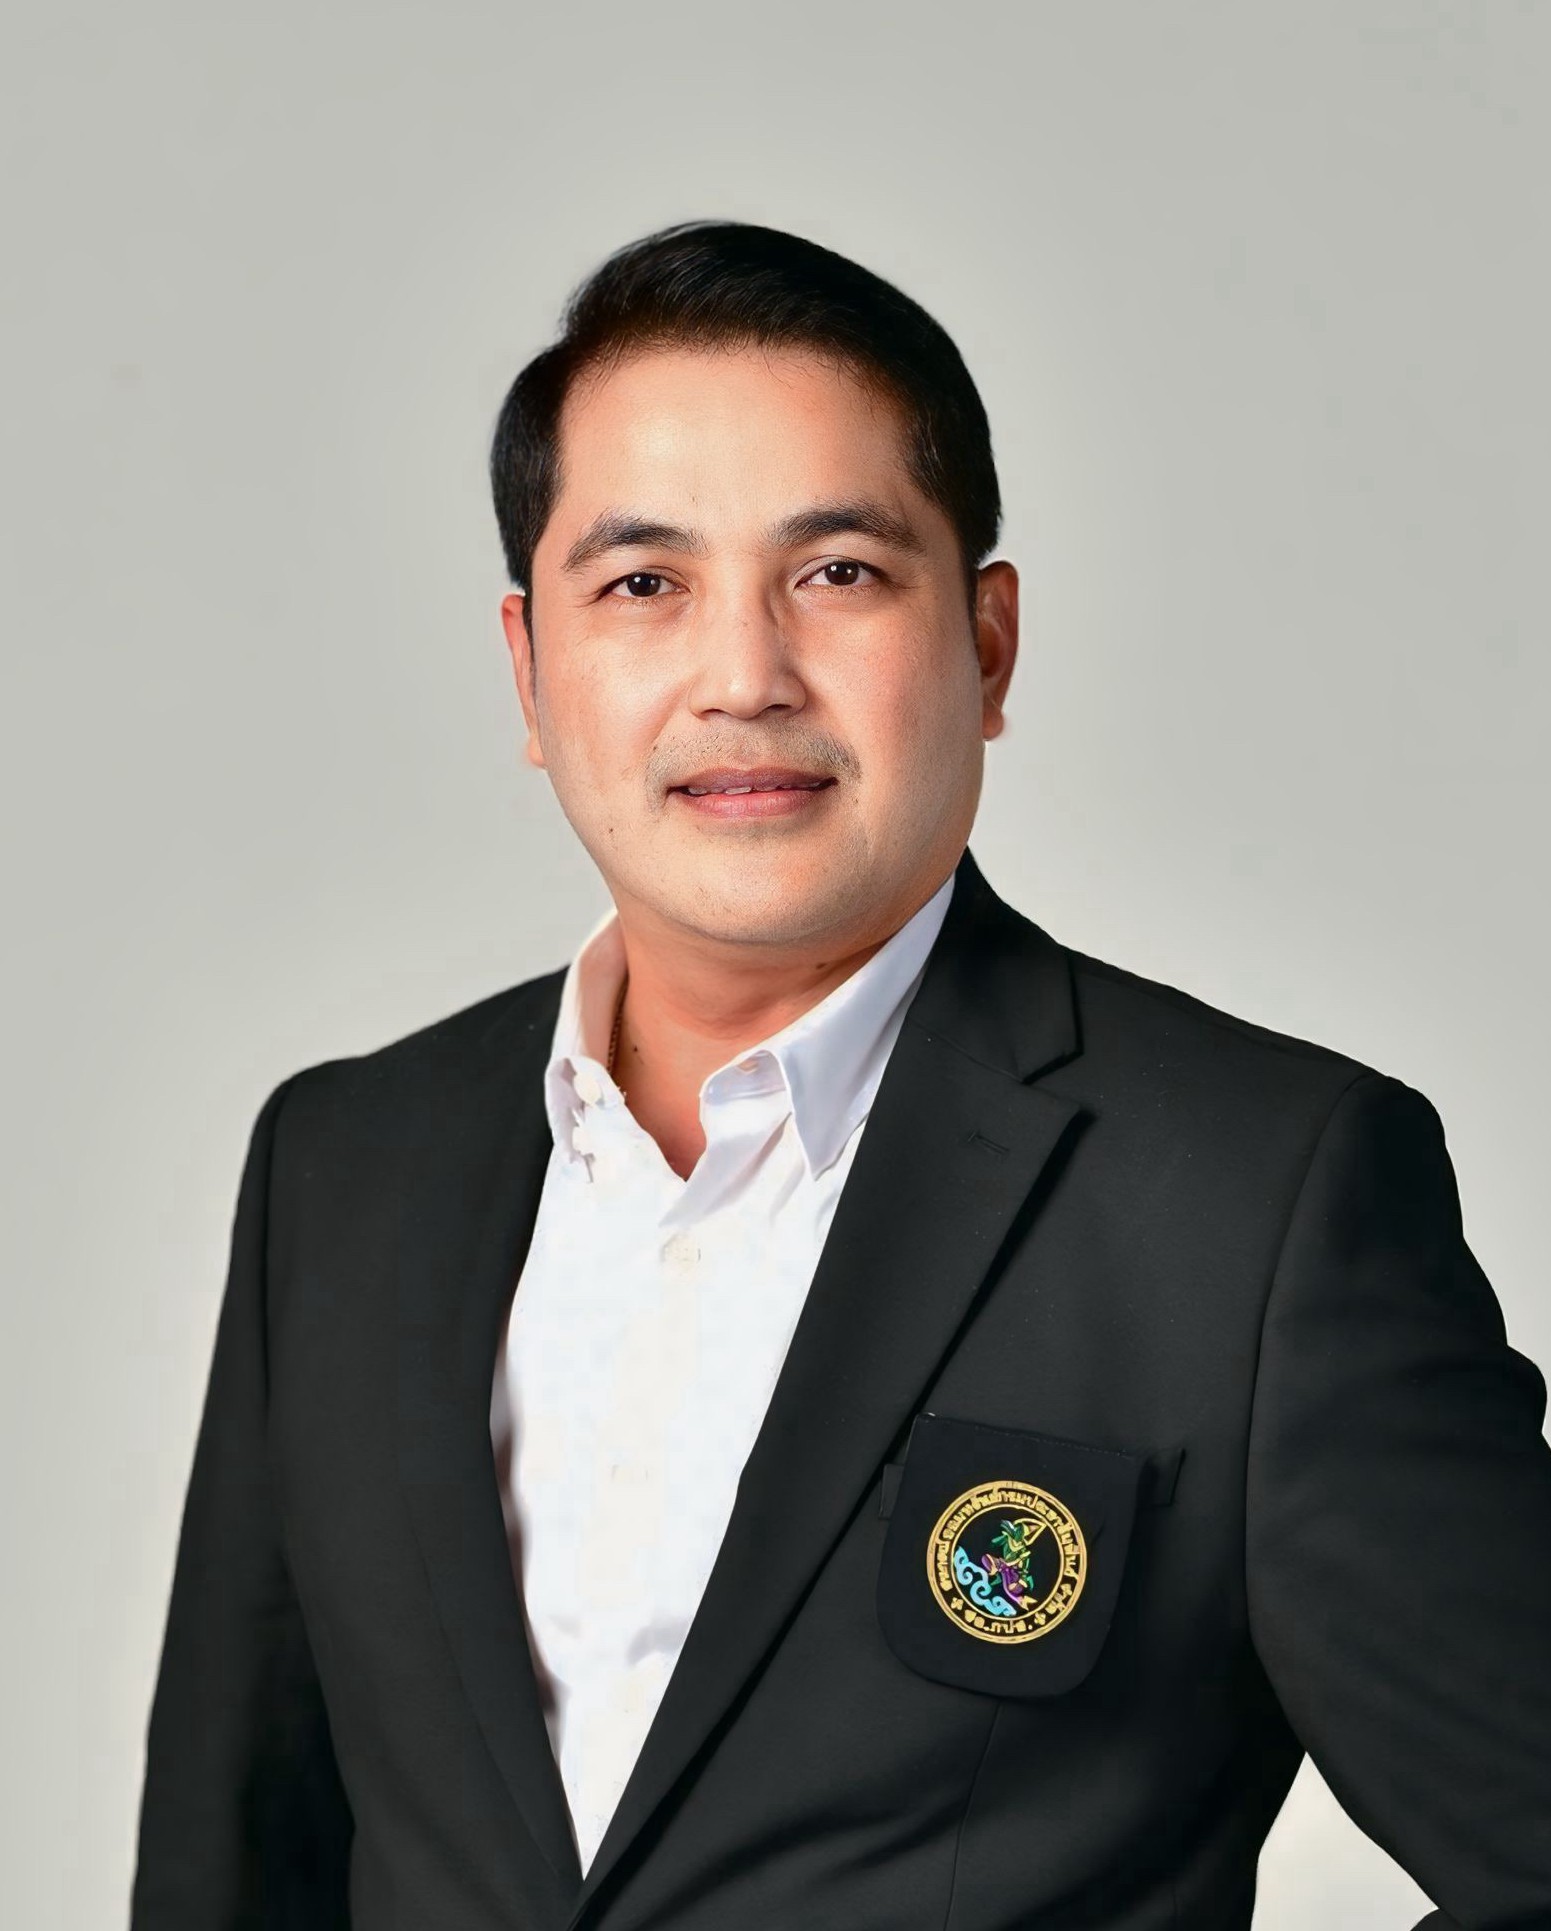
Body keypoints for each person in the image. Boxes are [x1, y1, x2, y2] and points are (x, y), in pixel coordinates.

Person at [128, 220, 1551, 1931]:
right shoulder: (346, 1166)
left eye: (840, 573)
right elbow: (229, 1871)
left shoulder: (1255, 1205)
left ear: (988, 644)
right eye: (643, 585)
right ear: (529, 668)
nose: (743, 676)